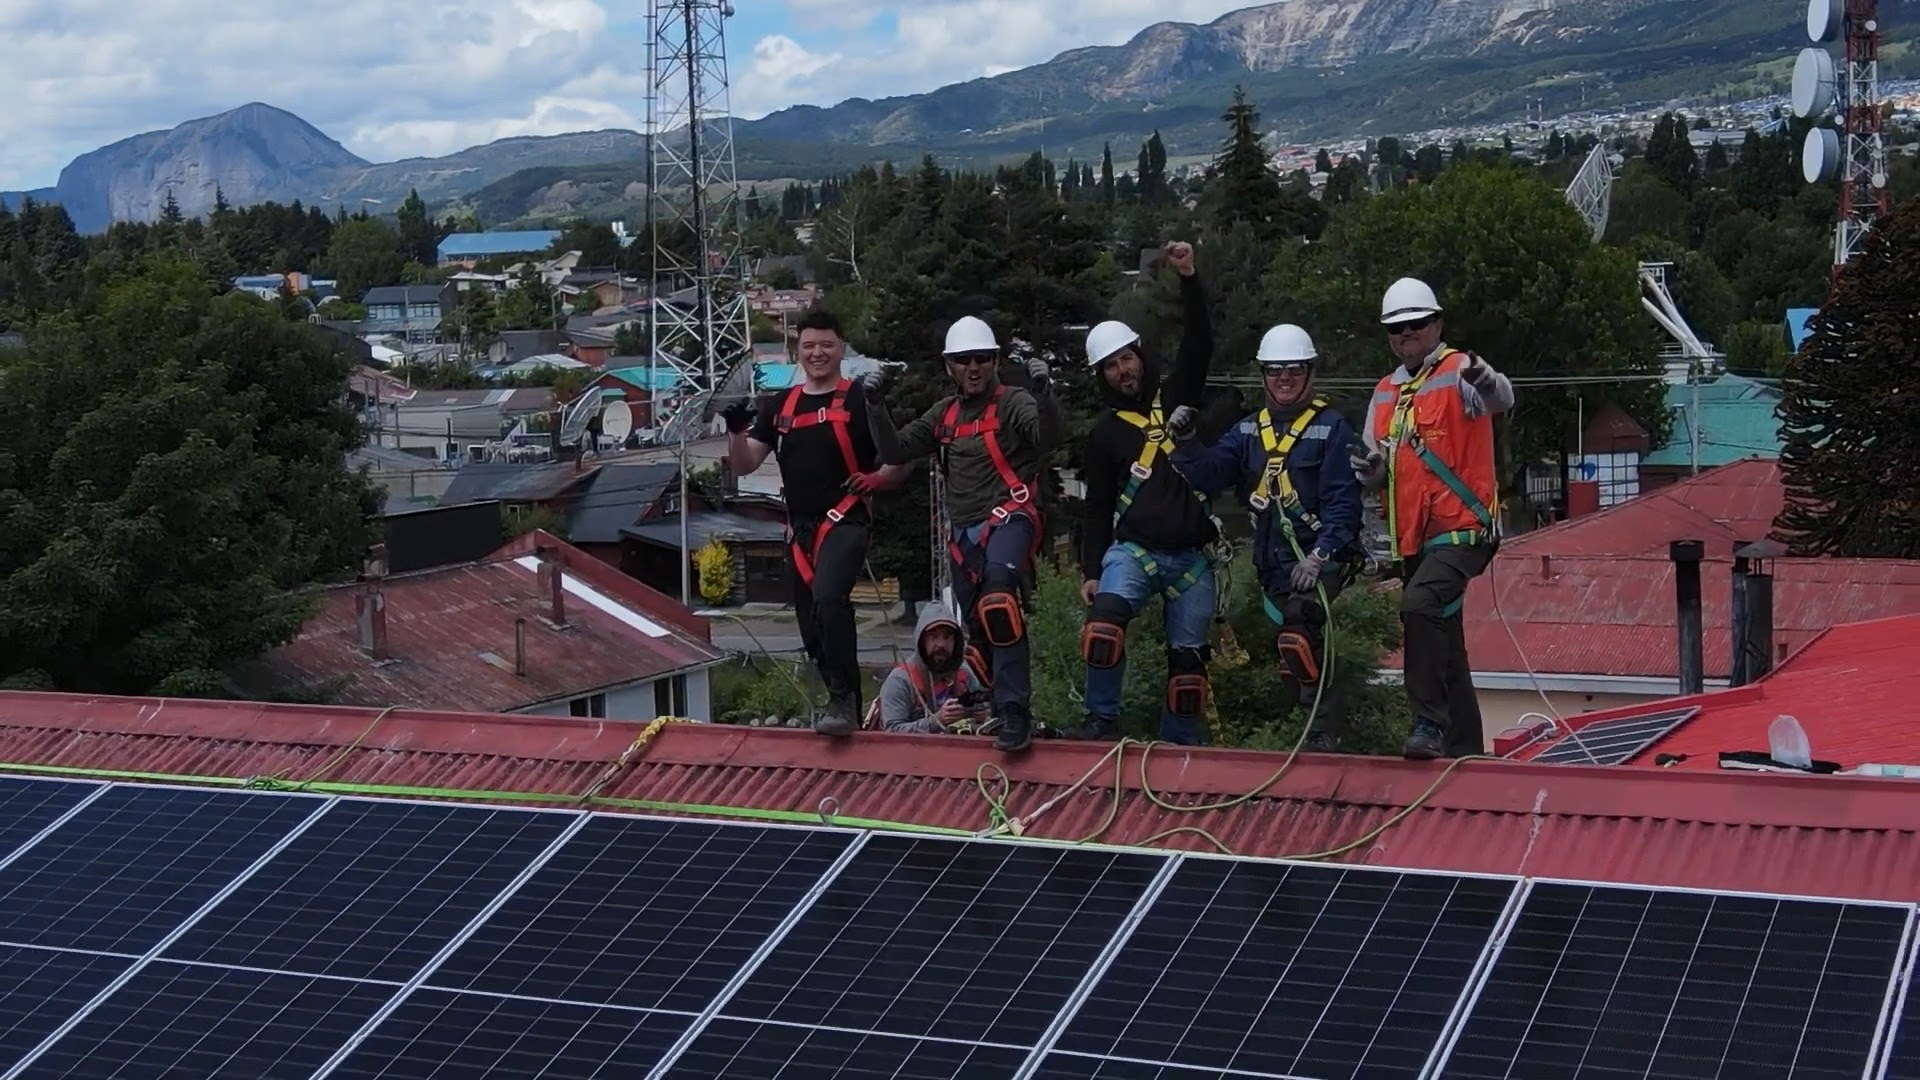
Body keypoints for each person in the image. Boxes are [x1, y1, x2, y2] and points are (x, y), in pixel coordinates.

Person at [867, 315, 1061, 753]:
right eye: (963, 360)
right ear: (949, 366)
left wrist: (1044, 395)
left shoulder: (1013, 404)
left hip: (1011, 516)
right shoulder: (945, 415)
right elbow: (895, 450)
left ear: (994, 361)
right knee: (976, 630)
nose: (973, 368)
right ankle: (993, 705)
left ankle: (1015, 714)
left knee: (998, 602)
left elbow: (1046, 436)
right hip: (965, 539)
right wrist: (875, 406)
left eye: (981, 359)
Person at [1173, 324, 1364, 752]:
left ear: (1310, 372)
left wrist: (1319, 556)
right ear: (1262, 375)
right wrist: (1186, 440)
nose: (1284, 378)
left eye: (1294, 369)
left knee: (1302, 629)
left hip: (1321, 558)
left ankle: (1323, 733)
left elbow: (1343, 503)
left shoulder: (1331, 429)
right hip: (1273, 562)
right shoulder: (1247, 432)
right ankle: (1305, 727)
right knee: (1294, 656)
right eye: (1275, 370)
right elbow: (1209, 472)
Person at [1352, 277, 1514, 760]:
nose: (1406, 335)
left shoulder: (1458, 369)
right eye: (1396, 329)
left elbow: (1501, 397)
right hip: (1415, 540)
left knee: (1419, 605)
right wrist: (1371, 472)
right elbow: (1372, 466)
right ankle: (1465, 748)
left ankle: (1429, 723)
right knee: (1445, 634)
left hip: (1463, 531)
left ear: (1437, 324)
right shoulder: (1384, 393)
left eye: (1416, 325)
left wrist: (1486, 381)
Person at [721, 308, 901, 736]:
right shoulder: (780, 406)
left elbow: (899, 457)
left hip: (846, 519)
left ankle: (842, 699)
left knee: (828, 599)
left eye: (826, 345)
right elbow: (746, 465)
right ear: (796, 350)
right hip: (798, 530)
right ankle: (843, 702)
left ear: (841, 348)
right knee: (810, 624)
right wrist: (734, 430)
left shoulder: (858, 400)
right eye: (809, 346)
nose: (817, 353)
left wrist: (877, 479)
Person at [1075, 240, 1220, 746]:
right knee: (1105, 628)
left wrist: (1188, 278)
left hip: (1190, 559)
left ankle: (1179, 751)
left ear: (1140, 355)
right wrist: (1092, 570)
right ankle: (1101, 722)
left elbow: (1200, 344)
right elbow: (1095, 507)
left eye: (1128, 359)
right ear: (1103, 376)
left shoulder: (1175, 395)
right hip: (1133, 550)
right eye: (1112, 366)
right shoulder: (1106, 433)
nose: (1124, 371)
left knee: (1188, 672)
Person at [866, 602, 991, 734]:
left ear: (956, 641)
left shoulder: (965, 674)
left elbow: (986, 711)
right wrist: (936, 721)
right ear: (921, 641)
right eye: (933, 637)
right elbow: (891, 731)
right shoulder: (901, 680)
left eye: (947, 637)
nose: (941, 644)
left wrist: (981, 717)